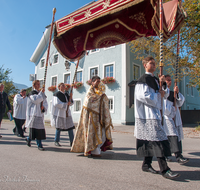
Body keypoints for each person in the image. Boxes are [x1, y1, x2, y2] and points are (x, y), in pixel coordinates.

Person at [134, 56, 180, 179]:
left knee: (151, 140)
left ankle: (146, 164)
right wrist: (157, 95)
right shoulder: (143, 79)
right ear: (145, 65)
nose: (154, 65)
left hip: (155, 113)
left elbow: (164, 95)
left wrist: (163, 84)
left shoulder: (155, 79)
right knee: (159, 140)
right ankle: (165, 169)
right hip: (147, 115)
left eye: (154, 63)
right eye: (151, 63)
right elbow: (142, 96)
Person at [71, 76, 113, 157]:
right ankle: (94, 151)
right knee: (92, 133)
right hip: (91, 117)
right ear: (92, 82)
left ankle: (97, 149)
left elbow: (102, 99)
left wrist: (103, 97)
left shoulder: (99, 91)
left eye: (99, 81)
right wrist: (101, 97)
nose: (98, 83)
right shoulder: (89, 92)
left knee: (102, 133)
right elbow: (90, 102)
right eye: (97, 81)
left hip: (99, 117)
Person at [163, 74, 189, 164]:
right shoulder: (162, 92)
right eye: (167, 80)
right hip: (166, 117)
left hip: (174, 117)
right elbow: (163, 106)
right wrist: (171, 109)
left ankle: (178, 155)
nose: (169, 82)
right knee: (170, 135)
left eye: (170, 80)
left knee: (176, 136)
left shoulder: (172, 92)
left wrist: (177, 93)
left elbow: (180, 102)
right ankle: (170, 155)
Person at [25, 80, 48, 151]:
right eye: (37, 84)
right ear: (34, 85)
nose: (39, 85)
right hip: (33, 114)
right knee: (34, 130)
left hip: (40, 114)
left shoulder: (41, 93)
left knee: (39, 130)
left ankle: (36, 142)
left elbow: (45, 102)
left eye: (39, 84)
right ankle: (34, 142)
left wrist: (43, 107)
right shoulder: (31, 93)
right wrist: (41, 93)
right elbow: (36, 100)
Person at [51, 83, 75, 147]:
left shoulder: (66, 94)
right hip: (60, 113)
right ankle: (56, 141)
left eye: (64, 85)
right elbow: (57, 104)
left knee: (70, 127)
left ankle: (72, 141)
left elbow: (71, 103)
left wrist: (71, 98)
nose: (64, 86)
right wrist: (66, 104)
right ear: (59, 87)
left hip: (67, 113)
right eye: (62, 86)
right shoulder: (56, 94)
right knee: (59, 128)